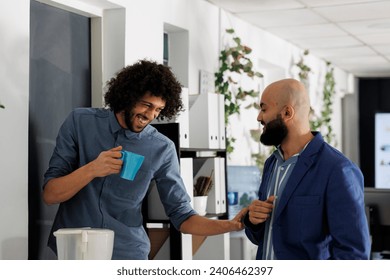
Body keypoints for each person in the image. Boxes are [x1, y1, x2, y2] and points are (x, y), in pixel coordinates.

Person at [43, 59, 246, 260]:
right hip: (76, 251)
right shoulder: (80, 122)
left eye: (158, 109)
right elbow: (51, 194)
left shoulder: (161, 148)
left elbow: (182, 216)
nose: (150, 115)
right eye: (146, 105)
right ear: (127, 96)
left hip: (127, 254)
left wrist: (232, 225)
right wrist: (92, 169)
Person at [244, 78, 370, 260]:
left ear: (287, 112)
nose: (259, 117)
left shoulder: (337, 169)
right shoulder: (272, 163)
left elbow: (354, 254)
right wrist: (253, 221)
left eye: (264, 109)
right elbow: (265, 237)